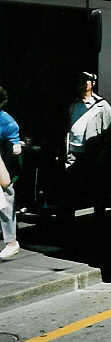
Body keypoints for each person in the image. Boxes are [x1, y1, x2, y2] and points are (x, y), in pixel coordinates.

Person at [66, 72, 111, 169]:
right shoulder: (73, 104)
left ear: (93, 83)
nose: (83, 83)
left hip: (91, 154)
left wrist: (102, 154)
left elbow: (110, 133)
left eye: (86, 80)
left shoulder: (102, 105)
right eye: (80, 81)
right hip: (72, 153)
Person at [0, 86, 24, 260]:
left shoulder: (7, 121)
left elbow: (14, 149)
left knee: (7, 199)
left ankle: (11, 242)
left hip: (3, 165)